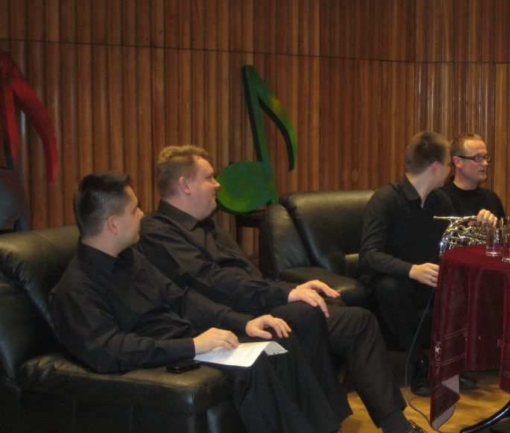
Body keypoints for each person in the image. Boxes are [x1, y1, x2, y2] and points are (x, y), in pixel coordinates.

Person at [137, 145, 424, 433]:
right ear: (185, 185)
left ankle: (397, 427)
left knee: (357, 321)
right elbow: (213, 282)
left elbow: (250, 277)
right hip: (231, 316)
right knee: (304, 314)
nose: (217, 184)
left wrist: (293, 287)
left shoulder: (209, 227)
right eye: (209, 177)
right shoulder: (158, 230)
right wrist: (285, 294)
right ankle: (326, 425)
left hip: (259, 302)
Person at [51, 173, 345, 433]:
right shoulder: (77, 289)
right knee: (256, 363)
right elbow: (111, 351)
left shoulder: (130, 259)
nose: (142, 214)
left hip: (187, 339)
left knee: (278, 344)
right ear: (113, 224)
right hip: (165, 356)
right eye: (134, 209)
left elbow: (180, 298)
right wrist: (193, 346)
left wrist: (244, 323)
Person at [359, 131, 496, 396]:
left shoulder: (439, 200)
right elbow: (369, 255)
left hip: (427, 277)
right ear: (435, 167)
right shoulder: (386, 199)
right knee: (390, 287)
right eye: (447, 164)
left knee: (460, 285)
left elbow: (456, 243)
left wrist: (481, 227)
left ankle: (448, 362)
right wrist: (412, 270)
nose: (448, 171)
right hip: (393, 280)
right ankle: (419, 364)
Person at [441, 133, 505, 219]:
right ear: (458, 162)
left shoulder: (491, 199)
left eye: (485, 157)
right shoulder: (440, 199)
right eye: (477, 158)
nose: (485, 163)